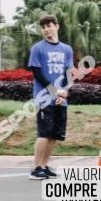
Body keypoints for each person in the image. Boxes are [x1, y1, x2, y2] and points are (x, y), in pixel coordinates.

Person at [28, 15, 74, 180]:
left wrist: (65, 92)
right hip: (44, 99)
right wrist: (55, 92)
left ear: (57, 26)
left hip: (61, 98)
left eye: (49, 25)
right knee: (44, 133)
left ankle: (44, 166)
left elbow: (68, 73)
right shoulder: (38, 48)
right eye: (43, 27)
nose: (47, 29)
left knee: (54, 135)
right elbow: (37, 74)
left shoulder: (66, 49)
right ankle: (35, 168)